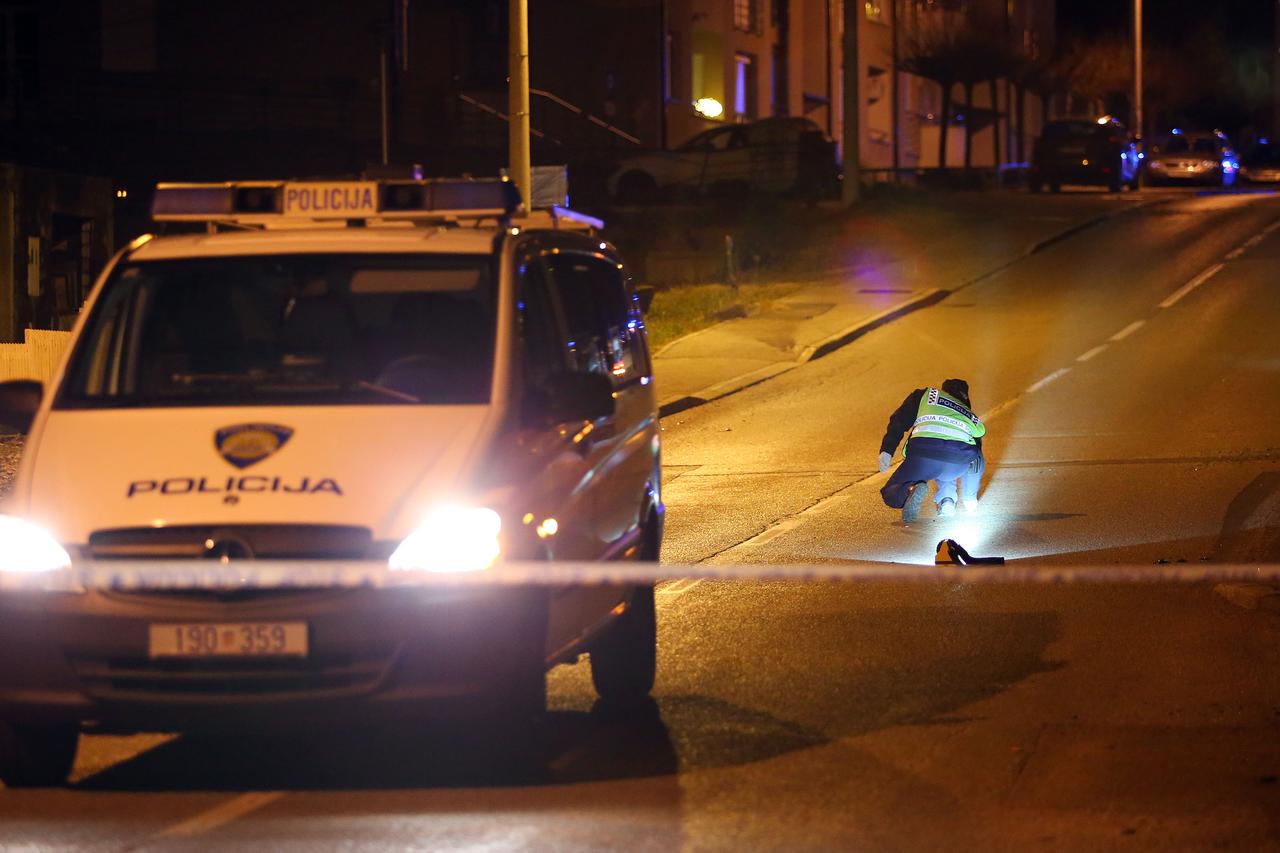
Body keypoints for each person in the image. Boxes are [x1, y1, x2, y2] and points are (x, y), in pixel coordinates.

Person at [878, 378, 985, 523]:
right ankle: (956, 500)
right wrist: (970, 497)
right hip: (957, 464)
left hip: (922, 459)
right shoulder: (969, 414)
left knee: (891, 494)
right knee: (972, 453)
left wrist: (887, 449)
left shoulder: (926, 395)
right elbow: (977, 450)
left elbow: (899, 420)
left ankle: (907, 490)